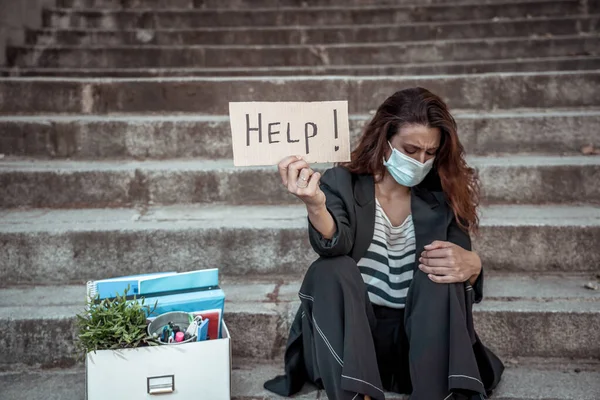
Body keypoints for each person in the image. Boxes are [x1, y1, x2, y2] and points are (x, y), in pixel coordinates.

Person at [264, 87, 504, 400]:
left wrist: (474, 265)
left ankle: (436, 393)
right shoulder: (343, 182)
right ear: (385, 140)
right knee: (330, 269)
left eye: (430, 153)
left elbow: (458, 262)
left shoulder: (442, 196)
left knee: (442, 268)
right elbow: (334, 244)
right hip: (352, 341)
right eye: (411, 149)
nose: (420, 160)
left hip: (416, 345)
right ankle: (356, 394)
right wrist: (314, 204)